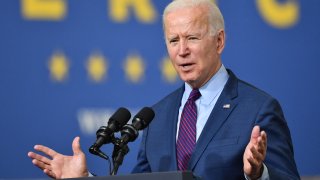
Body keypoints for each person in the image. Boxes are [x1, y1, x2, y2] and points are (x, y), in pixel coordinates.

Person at [28, 0, 300, 179]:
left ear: (219, 42)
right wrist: (84, 179)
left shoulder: (258, 108)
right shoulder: (157, 116)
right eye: (173, 40)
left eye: (192, 38)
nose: (182, 51)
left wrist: (259, 174)